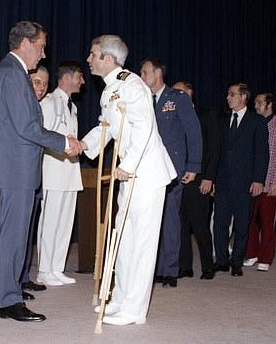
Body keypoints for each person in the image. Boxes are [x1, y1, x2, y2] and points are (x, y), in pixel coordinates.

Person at [0, 21, 81, 322]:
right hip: (15, 167)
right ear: (25, 43)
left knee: (10, 234)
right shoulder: (12, 74)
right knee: (12, 235)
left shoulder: (10, 72)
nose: (43, 53)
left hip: (14, 166)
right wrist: (64, 141)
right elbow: (27, 128)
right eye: (40, 46)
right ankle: (7, 301)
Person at [79, 35, 176, 326]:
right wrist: (84, 145)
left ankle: (134, 310)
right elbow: (107, 127)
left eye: (93, 54)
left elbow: (144, 126)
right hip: (129, 173)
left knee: (142, 243)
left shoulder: (132, 85)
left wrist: (128, 164)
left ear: (108, 59)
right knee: (123, 239)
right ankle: (119, 298)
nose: (88, 59)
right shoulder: (109, 90)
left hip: (145, 173)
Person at [140, 59, 202, 288]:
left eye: (145, 72)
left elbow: (193, 133)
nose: (142, 76)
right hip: (148, 169)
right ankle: (153, 269)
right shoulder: (143, 98)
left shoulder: (178, 99)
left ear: (158, 73)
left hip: (172, 169)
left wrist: (193, 165)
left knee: (170, 220)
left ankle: (169, 270)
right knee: (150, 220)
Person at [35, 61, 84, 286]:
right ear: (67, 77)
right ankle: (44, 269)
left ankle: (57, 267)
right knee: (50, 221)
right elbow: (42, 135)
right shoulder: (49, 102)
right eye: (79, 77)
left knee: (65, 222)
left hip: (70, 172)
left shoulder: (72, 107)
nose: (82, 82)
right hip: (53, 170)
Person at [212, 83, 269, 277]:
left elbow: (262, 154)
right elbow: (217, 152)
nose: (228, 97)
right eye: (228, 94)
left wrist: (258, 180)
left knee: (242, 224)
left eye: (232, 94)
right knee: (220, 223)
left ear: (243, 97)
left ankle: (237, 261)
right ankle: (221, 261)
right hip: (223, 182)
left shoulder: (257, 121)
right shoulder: (223, 120)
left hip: (246, 182)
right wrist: (212, 179)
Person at [175, 82, 220, 280]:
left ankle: (208, 266)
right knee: (181, 223)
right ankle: (185, 266)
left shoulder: (207, 115)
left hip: (199, 177)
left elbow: (213, 149)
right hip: (178, 177)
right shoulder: (174, 116)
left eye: (178, 92)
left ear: (189, 93)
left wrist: (209, 177)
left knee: (200, 223)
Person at [243, 93, 276, 272]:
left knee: (267, 222)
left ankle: (265, 257)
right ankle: (252, 253)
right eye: (255, 103)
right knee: (249, 219)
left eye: (259, 103)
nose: (256, 106)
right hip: (252, 181)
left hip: (270, 182)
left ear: (270, 105)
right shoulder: (253, 123)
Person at [19, 65, 51, 295]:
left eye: (44, 83)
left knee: (27, 231)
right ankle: (14, 282)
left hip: (34, 174)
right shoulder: (23, 104)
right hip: (18, 174)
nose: (40, 88)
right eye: (36, 81)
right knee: (18, 233)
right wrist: (66, 143)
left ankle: (21, 277)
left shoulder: (37, 107)